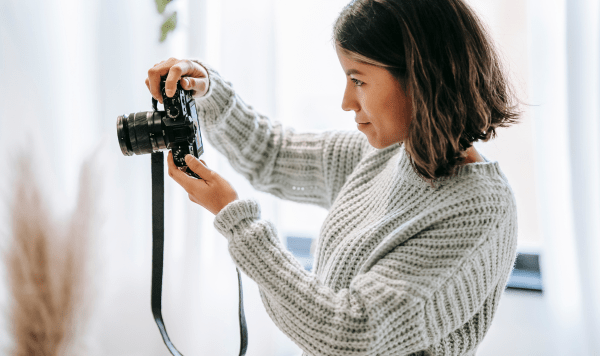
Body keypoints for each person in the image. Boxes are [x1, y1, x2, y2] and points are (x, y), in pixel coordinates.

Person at [146, 0, 521, 355]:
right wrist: (208, 90)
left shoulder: (479, 211)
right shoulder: (388, 154)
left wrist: (237, 222)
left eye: (358, 80)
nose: (347, 101)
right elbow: (273, 156)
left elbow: (350, 335)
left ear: (421, 78)